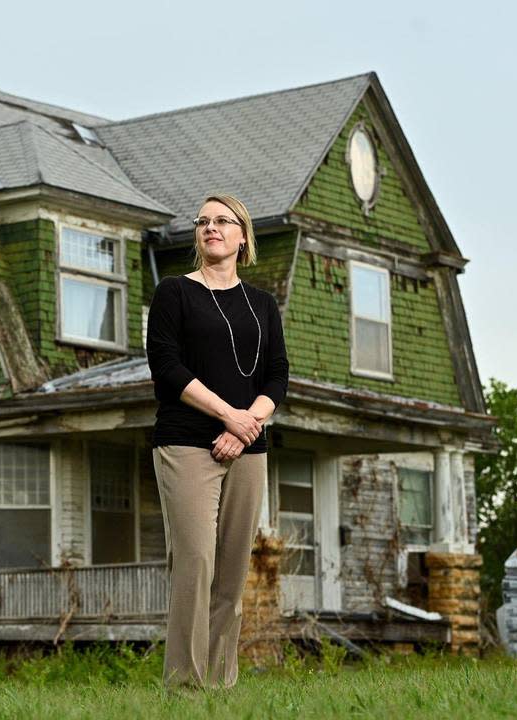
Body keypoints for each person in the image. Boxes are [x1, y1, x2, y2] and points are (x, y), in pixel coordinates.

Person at [146, 193, 289, 688]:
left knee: (231, 574)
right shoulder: (174, 293)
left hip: (248, 448)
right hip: (187, 444)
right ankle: (185, 687)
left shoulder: (262, 304)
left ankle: (220, 688)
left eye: (223, 221)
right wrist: (229, 417)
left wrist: (248, 425)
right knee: (196, 562)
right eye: (203, 221)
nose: (211, 228)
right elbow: (167, 368)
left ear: (242, 235)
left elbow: (276, 376)